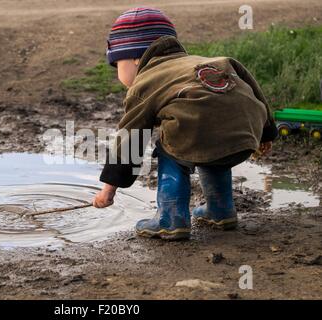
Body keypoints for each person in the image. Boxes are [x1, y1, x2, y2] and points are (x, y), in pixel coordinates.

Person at [92, 7, 278, 240]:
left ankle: (170, 219)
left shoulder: (145, 83)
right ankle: (220, 211)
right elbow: (252, 86)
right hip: (243, 135)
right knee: (210, 142)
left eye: (117, 65)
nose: (118, 74)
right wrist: (267, 133)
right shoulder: (215, 61)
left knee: (172, 145)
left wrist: (108, 190)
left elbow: (131, 139)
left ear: (135, 59)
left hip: (203, 133)